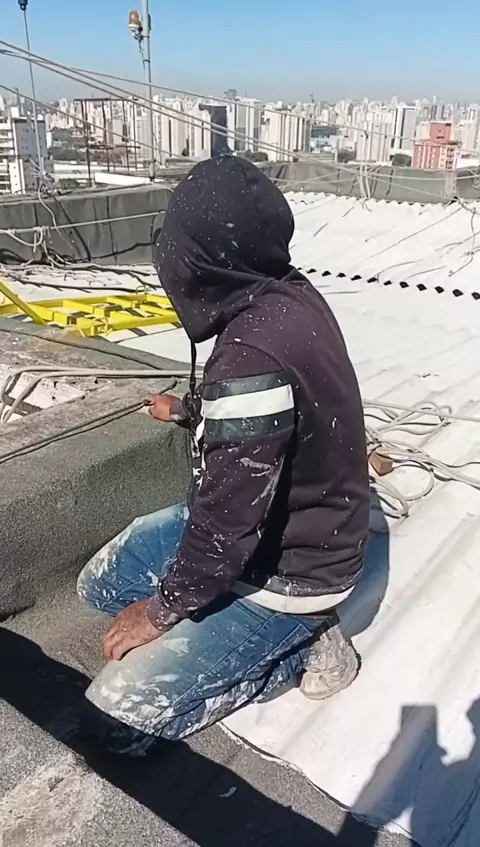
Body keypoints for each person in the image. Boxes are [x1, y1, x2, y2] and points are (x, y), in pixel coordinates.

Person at [77, 155, 370, 755]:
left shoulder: (250, 358)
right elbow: (272, 410)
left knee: (116, 722)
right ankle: (230, 627)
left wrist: (159, 614)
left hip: (291, 572)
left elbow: (226, 526)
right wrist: (192, 409)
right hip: (270, 530)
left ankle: (304, 643)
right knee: (100, 588)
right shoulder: (285, 292)